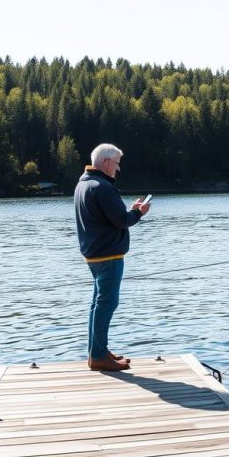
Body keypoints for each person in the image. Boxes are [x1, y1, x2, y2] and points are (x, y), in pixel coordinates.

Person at [74, 143, 150, 371]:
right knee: (106, 304)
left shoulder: (84, 184)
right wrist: (138, 212)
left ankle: (98, 351)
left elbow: (110, 216)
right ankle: (98, 356)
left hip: (94, 255)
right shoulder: (103, 187)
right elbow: (122, 220)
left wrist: (129, 211)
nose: (118, 169)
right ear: (106, 162)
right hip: (108, 256)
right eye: (117, 164)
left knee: (97, 305)